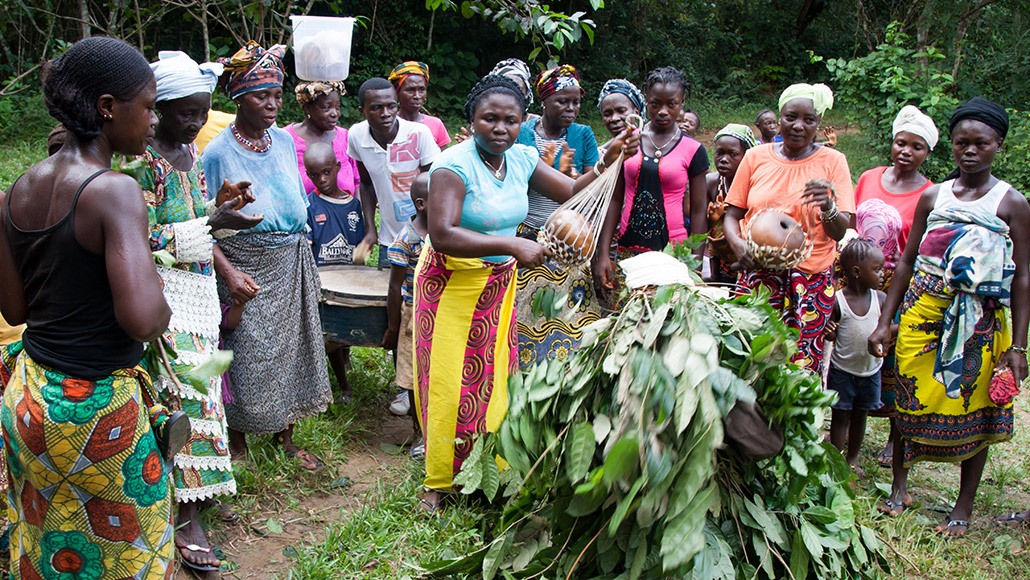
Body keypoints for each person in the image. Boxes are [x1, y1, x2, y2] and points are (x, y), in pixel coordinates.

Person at [416, 74, 638, 511]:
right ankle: (438, 481)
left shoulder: (520, 158)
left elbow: (572, 190)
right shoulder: (452, 165)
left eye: (511, 120)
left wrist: (608, 160)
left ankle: (485, 467)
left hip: (496, 283)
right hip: (451, 283)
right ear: (472, 120)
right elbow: (442, 233)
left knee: (493, 376)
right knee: (446, 379)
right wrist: (512, 244)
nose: (500, 128)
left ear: (523, 122)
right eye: (490, 119)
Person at [0, 36, 175, 579]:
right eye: (146, 106)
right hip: (99, 412)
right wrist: (166, 296)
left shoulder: (16, 190)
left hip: (29, 399)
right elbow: (143, 319)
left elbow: (14, 307)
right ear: (107, 108)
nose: (153, 121)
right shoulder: (113, 191)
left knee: (50, 546)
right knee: (132, 555)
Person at [868, 98, 1029, 537]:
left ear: (999, 146)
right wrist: (886, 320)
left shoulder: (1011, 203)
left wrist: (1017, 347)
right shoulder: (933, 196)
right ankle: (899, 486)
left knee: (979, 406)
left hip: (981, 320)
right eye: (962, 143)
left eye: (981, 143)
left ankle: (962, 506)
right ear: (952, 146)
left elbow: (1023, 279)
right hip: (923, 311)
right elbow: (905, 261)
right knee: (906, 395)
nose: (970, 151)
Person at [140, 49, 265, 573]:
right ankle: (187, 516)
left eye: (201, 112)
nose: (194, 123)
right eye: (185, 113)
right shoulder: (141, 162)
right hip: (160, 294)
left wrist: (224, 212)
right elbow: (144, 237)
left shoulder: (190, 156)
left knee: (205, 392)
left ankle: (196, 498)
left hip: (198, 294)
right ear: (157, 109)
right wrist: (211, 223)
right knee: (186, 399)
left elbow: (194, 222)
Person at [201, 41, 333, 471]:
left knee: (291, 348)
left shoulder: (282, 141)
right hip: (245, 262)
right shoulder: (218, 153)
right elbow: (206, 224)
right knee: (242, 349)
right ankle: (237, 441)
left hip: (288, 257)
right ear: (238, 98)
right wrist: (229, 272)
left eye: (277, 95)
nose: (273, 104)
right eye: (262, 96)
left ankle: (285, 436)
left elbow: (292, 192)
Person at [723, 83, 854, 373]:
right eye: (791, 117)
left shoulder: (834, 162)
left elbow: (840, 231)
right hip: (758, 277)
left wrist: (828, 206)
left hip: (810, 284)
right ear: (779, 117)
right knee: (751, 363)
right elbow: (732, 215)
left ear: (818, 123)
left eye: (809, 120)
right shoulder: (756, 157)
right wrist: (737, 244)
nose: (798, 126)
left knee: (800, 373)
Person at [854, 104, 937, 468]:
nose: (906, 151)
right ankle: (848, 419)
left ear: (927, 153)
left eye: (916, 146)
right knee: (854, 352)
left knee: (896, 360)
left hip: (898, 284)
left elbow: (921, 247)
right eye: (901, 142)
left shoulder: (932, 194)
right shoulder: (869, 177)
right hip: (857, 281)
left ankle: (894, 436)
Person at [595, 66, 710, 298]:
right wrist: (604, 254)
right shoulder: (628, 140)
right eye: (655, 104)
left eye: (672, 104)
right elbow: (615, 199)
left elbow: (699, 211)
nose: (663, 111)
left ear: (682, 104)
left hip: (674, 255)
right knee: (625, 322)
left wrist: (695, 265)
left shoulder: (693, 150)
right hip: (628, 252)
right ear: (645, 102)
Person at [514, 65, 601, 368]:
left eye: (576, 101)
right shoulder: (522, 132)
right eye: (562, 101)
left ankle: (567, 373)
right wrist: (552, 171)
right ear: (544, 101)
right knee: (527, 311)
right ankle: (525, 371)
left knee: (570, 312)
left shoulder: (583, 134)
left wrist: (571, 175)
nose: (571, 108)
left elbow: (591, 187)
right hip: (525, 233)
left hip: (569, 237)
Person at [347, 77, 440, 266]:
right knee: (389, 294)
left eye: (391, 106)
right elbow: (366, 183)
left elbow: (438, 184)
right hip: (390, 240)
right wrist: (370, 229)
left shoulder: (418, 134)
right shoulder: (357, 136)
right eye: (376, 108)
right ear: (362, 111)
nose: (385, 114)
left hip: (428, 239)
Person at [304, 142, 365, 402]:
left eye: (327, 172)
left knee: (348, 328)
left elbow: (359, 241)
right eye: (314, 175)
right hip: (323, 284)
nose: (322, 179)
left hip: (350, 281)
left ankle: (346, 360)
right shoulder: (309, 205)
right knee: (330, 337)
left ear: (338, 167)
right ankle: (342, 385)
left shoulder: (353, 206)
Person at [822, 238, 886, 478]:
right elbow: (832, 335)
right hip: (842, 370)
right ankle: (837, 461)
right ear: (857, 272)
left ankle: (852, 460)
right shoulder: (838, 301)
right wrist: (831, 333)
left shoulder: (880, 299)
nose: (882, 274)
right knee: (840, 417)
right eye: (877, 269)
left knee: (860, 417)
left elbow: (889, 327)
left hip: (870, 371)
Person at [383, 173, 429, 455]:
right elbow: (394, 286)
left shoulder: (446, 231)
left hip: (440, 311)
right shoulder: (406, 239)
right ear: (422, 204)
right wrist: (392, 327)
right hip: (413, 313)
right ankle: (418, 433)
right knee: (414, 376)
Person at [285, 81, 360, 196]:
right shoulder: (286, 139)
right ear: (307, 109)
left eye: (337, 107)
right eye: (326, 107)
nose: (334, 113)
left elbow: (357, 183)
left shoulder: (345, 137)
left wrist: (356, 212)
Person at [705, 123, 758, 283]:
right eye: (719, 153)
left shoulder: (755, 186)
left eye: (733, 154)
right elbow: (701, 229)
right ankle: (716, 278)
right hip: (720, 258)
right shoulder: (712, 183)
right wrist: (712, 219)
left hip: (748, 258)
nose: (724, 160)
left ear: (746, 156)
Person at [389, 61, 451, 149]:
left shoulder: (436, 124)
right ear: (397, 93)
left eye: (421, 90)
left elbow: (444, 159)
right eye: (410, 90)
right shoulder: (389, 124)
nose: (417, 96)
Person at [597, 78, 646, 150]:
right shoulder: (600, 154)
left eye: (621, 111)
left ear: (636, 113)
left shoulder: (653, 145)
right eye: (607, 114)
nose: (614, 118)